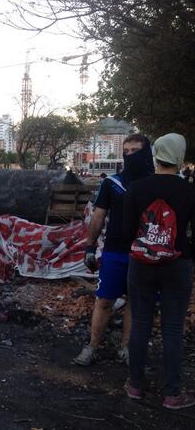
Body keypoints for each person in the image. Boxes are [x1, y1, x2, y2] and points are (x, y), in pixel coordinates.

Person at [123, 133, 195, 409]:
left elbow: (124, 229)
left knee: (140, 324)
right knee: (173, 329)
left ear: (156, 155)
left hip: (141, 264)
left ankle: (135, 385)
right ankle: (172, 394)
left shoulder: (137, 188)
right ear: (178, 155)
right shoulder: (189, 190)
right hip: (177, 265)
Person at [74, 134, 154, 366]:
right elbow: (98, 216)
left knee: (135, 302)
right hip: (114, 252)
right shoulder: (112, 183)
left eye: (135, 151)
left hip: (144, 253)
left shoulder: (154, 184)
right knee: (104, 301)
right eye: (126, 151)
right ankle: (92, 346)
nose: (129, 155)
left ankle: (126, 347)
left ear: (146, 153)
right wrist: (90, 247)